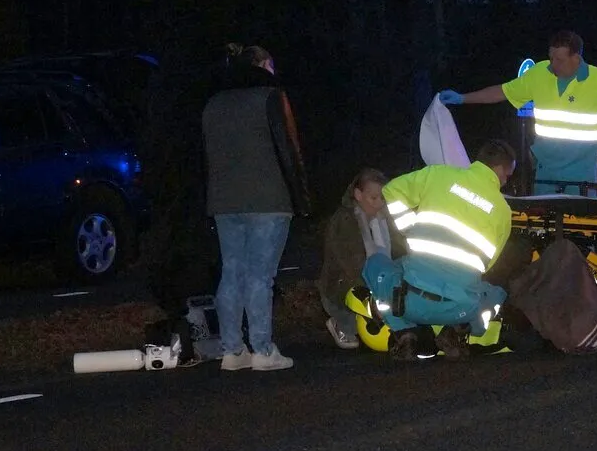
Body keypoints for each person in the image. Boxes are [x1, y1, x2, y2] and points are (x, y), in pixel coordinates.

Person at [440, 30, 597, 194]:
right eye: (551, 57)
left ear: (576, 58)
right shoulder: (539, 73)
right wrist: (463, 98)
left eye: (559, 59)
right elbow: (502, 92)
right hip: (545, 175)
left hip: (582, 178)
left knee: (579, 236)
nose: (553, 64)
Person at [201, 43, 309, 371]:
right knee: (261, 275)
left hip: (224, 199)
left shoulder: (213, 104)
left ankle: (232, 350)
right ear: (261, 65)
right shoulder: (270, 98)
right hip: (268, 198)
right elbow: (288, 148)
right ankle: (262, 349)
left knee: (232, 271)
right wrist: (301, 195)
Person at [361, 139, 518, 359]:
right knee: (496, 294)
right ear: (500, 169)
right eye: (507, 176)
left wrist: (408, 229)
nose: (504, 181)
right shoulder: (503, 211)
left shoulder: (438, 175)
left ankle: (402, 331)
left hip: (410, 301)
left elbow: (392, 191)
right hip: (461, 307)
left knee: (375, 266)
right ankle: (455, 332)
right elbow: (487, 265)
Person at [318, 168, 400, 349]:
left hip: (381, 278)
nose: (379, 204)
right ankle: (343, 322)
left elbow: (401, 250)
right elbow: (351, 264)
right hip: (346, 282)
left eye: (383, 198)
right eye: (374, 198)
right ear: (358, 194)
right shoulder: (345, 221)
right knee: (370, 318)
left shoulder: (386, 219)